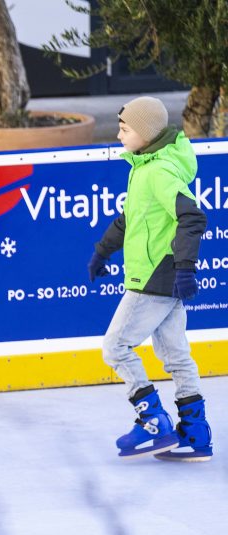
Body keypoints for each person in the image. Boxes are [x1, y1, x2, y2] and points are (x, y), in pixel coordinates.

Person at [88, 96, 212, 462]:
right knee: (176, 355)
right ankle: (195, 432)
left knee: (115, 347)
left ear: (146, 133)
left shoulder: (158, 172)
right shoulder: (143, 167)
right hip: (165, 279)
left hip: (155, 277)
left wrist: (186, 268)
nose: (119, 134)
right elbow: (128, 220)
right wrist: (102, 251)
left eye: (125, 129)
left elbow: (191, 217)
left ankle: (153, 419)